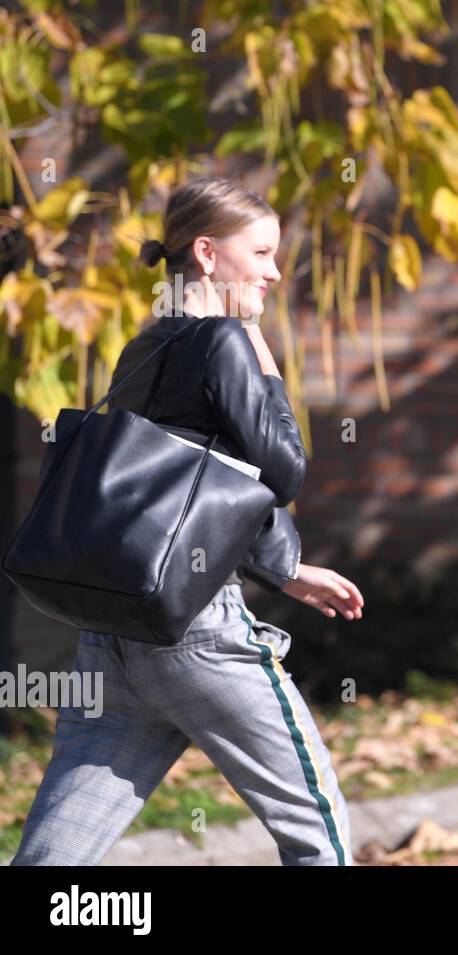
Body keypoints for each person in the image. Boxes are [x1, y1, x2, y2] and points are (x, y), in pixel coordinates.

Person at [10, 176, 364, 866]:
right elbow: (282, 468)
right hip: (201, 636)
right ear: (207, 253)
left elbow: (190, 488)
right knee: (316, 826)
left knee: (58, 853)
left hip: (114, 636)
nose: (273, 272)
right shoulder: (226, 341)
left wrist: (285, 570)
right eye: (260, 253)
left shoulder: (142, 346)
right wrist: (264, 361)